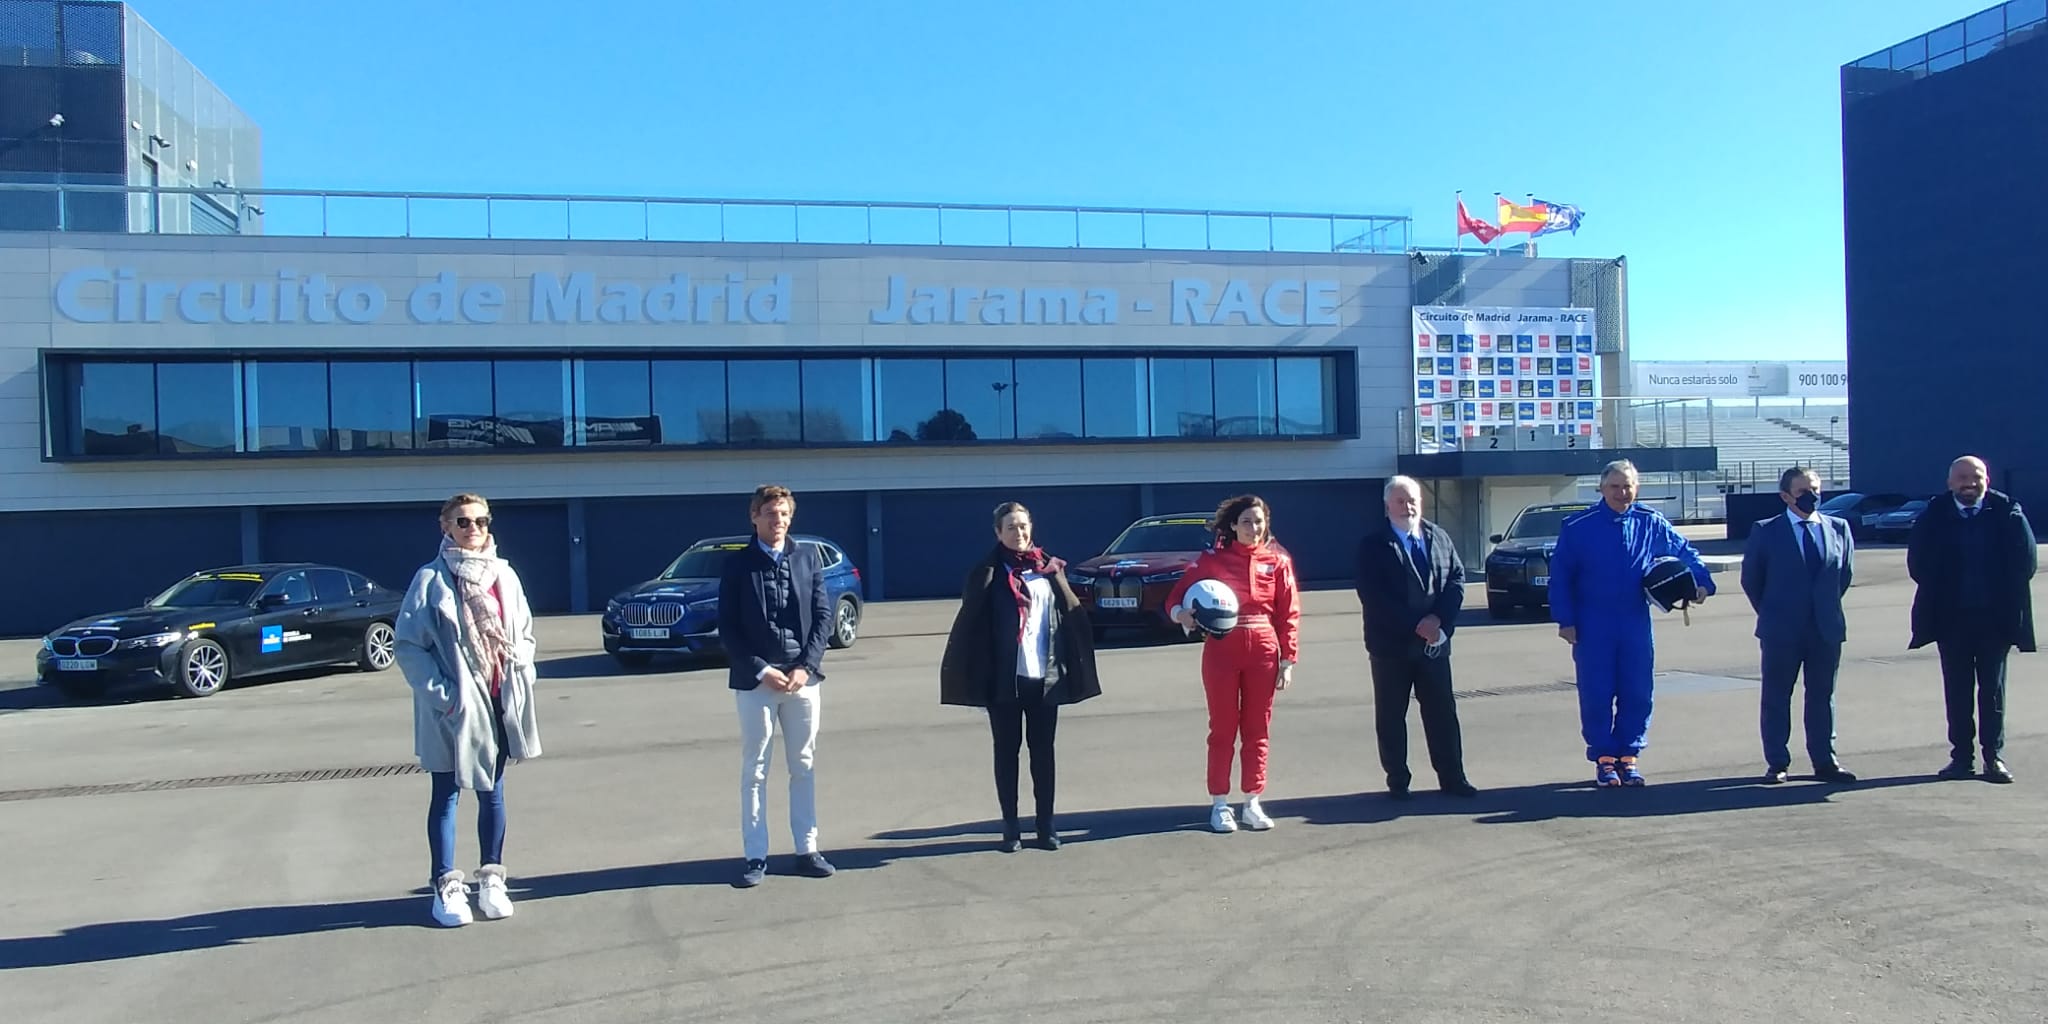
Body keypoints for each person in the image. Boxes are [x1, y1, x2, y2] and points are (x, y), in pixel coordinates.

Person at [394, 493, 543, 928]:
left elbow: (526, 633)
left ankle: (492, 877)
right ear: (445, 526)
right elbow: (409, 646)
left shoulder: (505, 576)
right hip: (453, 709)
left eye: (479, 520)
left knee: (492, 792)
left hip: (497, 702)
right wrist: (447, 697)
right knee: (446, 794)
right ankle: (446, 884)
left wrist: (523, 674)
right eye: (463, 522)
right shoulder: (430, 580)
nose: (472, 529)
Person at [940, 502, 1103, 851]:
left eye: (1024, 526)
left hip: (1044, 678)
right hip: (1004, 679)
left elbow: (1071, 615)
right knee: (1007, 752)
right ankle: (1011, 827)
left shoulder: (1049, 569)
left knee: (1043, 752)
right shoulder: (986, 573)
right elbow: (972, 628)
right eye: (1011, 527)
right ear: (998, 533)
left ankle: (1046, 825)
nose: (1020, 533)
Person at [1549, 460, 1714, 788]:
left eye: (1628, 487)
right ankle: (1604, 759)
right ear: (1601, 488)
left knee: (1637, 691)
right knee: (1597, 693)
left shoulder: (1650, 522)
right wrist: (1565, 619)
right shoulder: (1579, 526)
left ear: (1636, 488)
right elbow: (1561, 577)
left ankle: (1629, 756)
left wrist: (1701, 582)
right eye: (1615, 487)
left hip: (1635, 622)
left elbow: (1685, 552)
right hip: (1593, 624)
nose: (1622, 493)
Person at [719, 484, 837, 887]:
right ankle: (755, 855)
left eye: (784, 513)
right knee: (755, 768)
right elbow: (728, 627)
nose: (778, 520)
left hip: (802, 681)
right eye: (770, 513)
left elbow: (824, 616)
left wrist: (807, 666)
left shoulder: (807, 558)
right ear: (754, 517)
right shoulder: (738, 566)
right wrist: (759, 669)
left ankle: (807, 848)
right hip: (757, 684)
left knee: (803, 764)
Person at [1166, 495, 1302, 833]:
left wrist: (1288, 659)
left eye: (1258, 522)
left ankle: (1252, 801)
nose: (1253, 528)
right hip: (1222, 650)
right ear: (1232, 525)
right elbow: (1175, 598)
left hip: (1264, 649)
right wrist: (1182, 614)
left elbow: (1289, 612)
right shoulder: (1212, 561)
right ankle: (1220, 803)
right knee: (1223, 728)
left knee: (1258, 728)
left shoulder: (1278, 562)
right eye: (1246, 522)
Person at [1908, 455, 2036, 784]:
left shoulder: (2007, 512)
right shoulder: (1935, 514)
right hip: (1952, 621)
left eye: (1976, 476)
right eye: (1963, 477)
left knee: (1992, 690)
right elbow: (1918, 564)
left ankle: (1993, 757)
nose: (1970, 482)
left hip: (1994, 621)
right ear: (1950, 482)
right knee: (1958, 690)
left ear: (1987, 479)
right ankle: (1961, 757)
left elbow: (2027, 561)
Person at [1354, 476, 1475, 799]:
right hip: (1390, 647)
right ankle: (1398, 780)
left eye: (1412, 501)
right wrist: (1415, 624)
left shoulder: (1439, 537)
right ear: (1387, 506)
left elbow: (1457, 580)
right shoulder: (1374, 545)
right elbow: (1373, 595)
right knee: (1392, 716)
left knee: (1442, 714)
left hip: (1434, 646)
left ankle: (1453, 778)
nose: (1407, 507)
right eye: (1400, 501)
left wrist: (1438, 621)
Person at [1740, 466, 1857, 784]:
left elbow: (1843, 576)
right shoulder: (1766, 530)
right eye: (1804, 491)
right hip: (1781, 628)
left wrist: (1823, 608)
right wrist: (1774, 612)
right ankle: (1777, 762)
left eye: (1816, 489)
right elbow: (1753, 580)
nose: (1812, 496)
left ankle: (1824, 760)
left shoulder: (1838, 528)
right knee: (1777, 696)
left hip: (1825, 628)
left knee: (1822, 695)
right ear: (1785, 496)